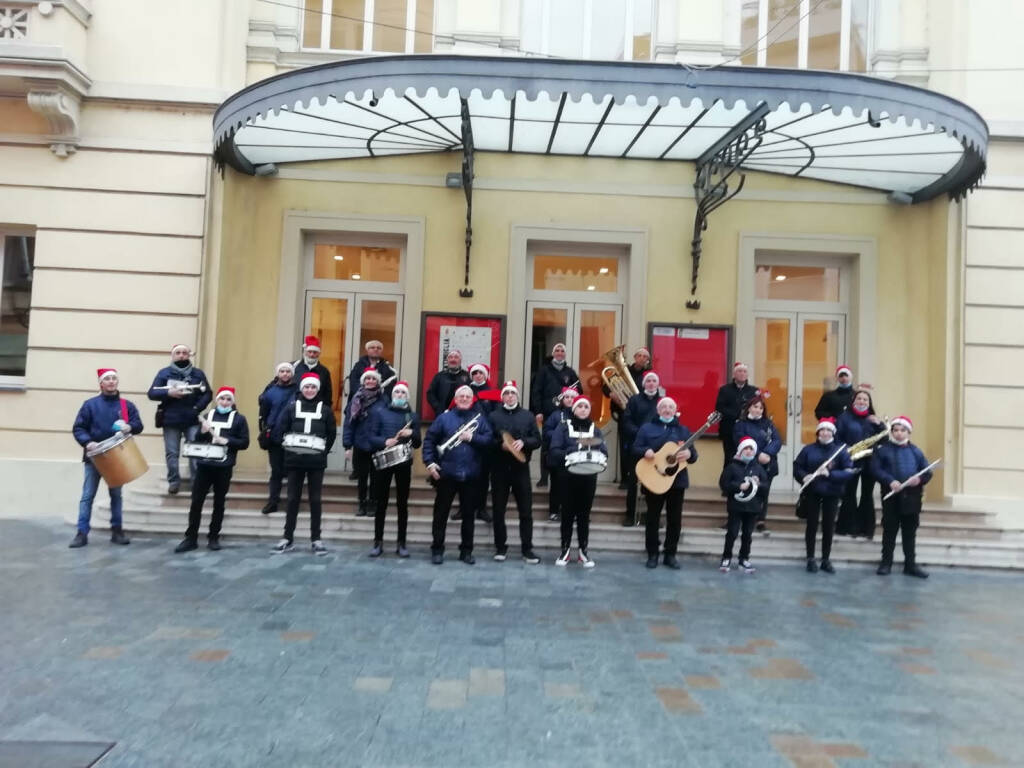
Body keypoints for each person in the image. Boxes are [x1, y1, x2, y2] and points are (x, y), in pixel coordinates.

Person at [70, 368, 144, 548]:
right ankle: (81, 533)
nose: (111, 381)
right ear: (101, 383)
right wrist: (87, 443)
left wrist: (130, 427)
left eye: (114, 378)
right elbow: (79, 428)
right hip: (94, 458)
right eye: (107, 379)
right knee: (87, 496)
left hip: (117, 457)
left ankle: (117, 531)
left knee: (116, 496)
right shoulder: (89, 405)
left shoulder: (127, 406)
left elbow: (138, 425)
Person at [422, 385, 494, 565]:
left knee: (469, 516)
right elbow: (429, 441)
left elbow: (489, 441)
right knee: (440, 514)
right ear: (455, 398)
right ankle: (437, 549)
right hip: (446, 474)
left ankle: (466, 551)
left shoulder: (480, 419)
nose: (464, 399)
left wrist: (472, 438)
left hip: (471, 475)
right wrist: (430, 463)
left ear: (472, 399)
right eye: (461, 396)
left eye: (467, 396)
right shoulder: (444, 418)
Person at [174, 387, 250, 553]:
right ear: (217, 400)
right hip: (205, 465)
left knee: (219, 502)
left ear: (233, 401)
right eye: (222, 399)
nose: (225, 402)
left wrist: (227, 441)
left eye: (228, 399)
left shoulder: (239, 419)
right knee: (196, 502)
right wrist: (202, 432)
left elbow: (244, 442)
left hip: (224, 467)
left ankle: (213, 537)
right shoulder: (208, 417)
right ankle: (191, 538)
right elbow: (198, 440)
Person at [270, 372, 337, 556]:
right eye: (306, 387)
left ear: (317, 389)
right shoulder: (291, 408)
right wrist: (288, 446)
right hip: (294, 460)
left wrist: (322, 451)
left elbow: (331, 434)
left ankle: (316, 539)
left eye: (313, 387)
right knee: (292, 499)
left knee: (315, 500)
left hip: (316, 462)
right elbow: (280, 430)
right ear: (302, 388)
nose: (309, 390)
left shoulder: (325, 409)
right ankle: (287, 538)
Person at [633, 396, 698, 570]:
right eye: (664, 407)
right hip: (654, 479)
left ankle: (671, 554)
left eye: (671, 407)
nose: (667, 409)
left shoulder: (684, 431)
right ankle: (652, 553)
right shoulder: (647, 428)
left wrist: (690, 455)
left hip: (677, 481)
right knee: (653, 518)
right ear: (658, 410)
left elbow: (694, 456)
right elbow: (635, 447)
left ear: (675, 410)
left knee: (674, 520)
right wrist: (645, 451)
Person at [487, 380, 542, 564]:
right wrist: (500, 445)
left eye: (512, 393)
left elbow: (537, 440)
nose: (510, 396)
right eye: (506, 393)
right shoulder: (493, 416)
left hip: (521, 470)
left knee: (526, 511)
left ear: (517, 396)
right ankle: (500, 547)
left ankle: (527, 549)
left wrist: (524, 442)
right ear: (502, 396)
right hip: (499, 469)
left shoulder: (528, 416)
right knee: (498, 510)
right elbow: (487, 440)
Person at [870, 416, 932, 578]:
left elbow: (928, 471)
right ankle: (886, 563)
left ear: (908, 432)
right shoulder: (882, 449)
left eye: (902, 430)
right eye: (895, 430)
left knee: (909, 532)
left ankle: (910, 565)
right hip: (891, 497)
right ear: (891, 432)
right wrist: (890, 481)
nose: (898, 433)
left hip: (912, 498)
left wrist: (918, 480)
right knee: (889, 530)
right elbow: (875, 470)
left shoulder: (916, 451)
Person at [549, 396, 607, 568]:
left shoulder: (595, 429)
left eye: (586, 407)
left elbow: (604, 451)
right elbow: (554, 450)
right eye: (579, 406)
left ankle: (583, 551)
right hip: (567, 477)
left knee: (584, 515)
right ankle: (565, 550)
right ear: (573, 409)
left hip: (588, 477)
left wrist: (596, 454)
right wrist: (573, 451)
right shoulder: (562, 427)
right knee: (567, 514)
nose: (583, 409)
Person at [365, 380, 421, 558]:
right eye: (397, 392)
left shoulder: (412, 416)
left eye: (403, 393)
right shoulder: (379, 412)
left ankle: (401, 543)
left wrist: (412, 433)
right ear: (392, 395)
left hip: (403, 463)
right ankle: (378, 542)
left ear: (407, 396)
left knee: (402, 504)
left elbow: (418, 443)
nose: (399, 395)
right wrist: (384, 442)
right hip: (384, 463)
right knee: (380, 503)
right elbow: (370, 437)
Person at [147, 344, 212, 494]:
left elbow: (207, 393)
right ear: (173, 355)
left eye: (184, 352)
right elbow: (152, 393)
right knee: (172, 452)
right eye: (178, 353)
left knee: (195, 450)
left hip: (192, 418)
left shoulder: (198, 374)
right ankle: (174, 482)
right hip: (171, 419)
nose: (181, 355)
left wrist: (197, 408)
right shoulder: (164, 373)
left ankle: (197, 482)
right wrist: (168, 393)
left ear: (189, 355)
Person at [793, 418, 854, 573]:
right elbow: (797, 466)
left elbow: (848, 472)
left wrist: (830, 474)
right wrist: (804, 476)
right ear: (818, 432)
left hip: (832, 493)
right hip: (812, 492)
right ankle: (810, 558)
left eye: (828, 430)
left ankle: (825, 559)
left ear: (832, 432)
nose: (825, 433)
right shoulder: (808, 449)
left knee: (828, 526)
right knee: (811, 525)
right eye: (822, 430)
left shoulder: (840, 450)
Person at [836, 385, 886, 538]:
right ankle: (848, 527)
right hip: (851, 460)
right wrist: (847, 452)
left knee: (866, 494)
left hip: (870, 460)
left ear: (869, 403)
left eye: (865, 399)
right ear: (854, 401)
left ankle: (866, 528)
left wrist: (879, 424)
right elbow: (838, 439)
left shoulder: (873, 418)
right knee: (849, 493)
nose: (862, 401)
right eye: (859, 398)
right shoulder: (844, 417)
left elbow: (885, 438)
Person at [530, 343, 580, 488]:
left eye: (562, 351)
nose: (559, 353)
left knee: (566, 444)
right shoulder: (544, 371)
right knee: (547, 445)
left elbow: (579, 391)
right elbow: (536, 391)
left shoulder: (570, 372)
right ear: (553, 353)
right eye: (557, 350)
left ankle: (565, 474)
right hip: (548, 413)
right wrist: (538, 411)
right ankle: (544, 478)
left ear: (565, 354)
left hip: (568, 415)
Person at [733, 394, 781, 535]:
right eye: (755, 407)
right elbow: (740, 440)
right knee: (746, 489)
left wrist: (767, 453)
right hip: (747, 463)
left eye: (761, 408)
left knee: (763, 491)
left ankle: (761, 520)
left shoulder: (768, 424)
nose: (758, 410)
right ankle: (744, 519)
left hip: (767, 463)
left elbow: (776, 440)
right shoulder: (740, 424)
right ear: (749, 408)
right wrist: (758, 454)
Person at [621, 370, 664, 526]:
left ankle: (652, 516)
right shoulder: (634, 400)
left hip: (656, 451)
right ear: (644, 384)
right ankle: (629, 515)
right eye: (648, 381)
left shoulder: (662, 401)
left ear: (658, 384)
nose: (651, 383)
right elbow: (626, 421)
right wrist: (641, 433)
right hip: (637, 448)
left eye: (654, 381)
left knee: (655, 484)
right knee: (633, 483)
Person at [719, 437, 768, 574]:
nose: (748, 451)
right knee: (732, 532)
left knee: (747, 534)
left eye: (751, 449)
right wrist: (738, 486)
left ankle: (744, 558)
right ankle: (726, 557)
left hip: (752, 508)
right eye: (746, 448)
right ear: (740, 451)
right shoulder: (732, 467)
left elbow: (766, 488)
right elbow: (724, 484)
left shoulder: (758, 468)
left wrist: (759, 485)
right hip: (736, 506)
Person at [603, 346, 650, 489]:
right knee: (625, 448)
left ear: (647, 360)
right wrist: (612, 394)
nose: (641, 358)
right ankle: (625, 479)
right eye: (639, 355)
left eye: (645, 356)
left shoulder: (649, 374)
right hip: (625, 414)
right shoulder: (623, 371)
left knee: (642, 449)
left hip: (642, 417)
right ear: (635, 357)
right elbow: (605, 387)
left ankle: (640, 478)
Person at [343, 366, 387, 517]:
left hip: (378, 444)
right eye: (367, 378)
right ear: (363, 381)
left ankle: (372, 504)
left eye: (373, 378)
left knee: (376, 477)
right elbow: (349, 424)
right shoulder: (356, 399)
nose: (370, 381)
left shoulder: (384, 399)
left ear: (377, 381)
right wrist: (347, 445)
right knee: (362, 477)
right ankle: (361, 503)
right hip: (360, 443)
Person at [257, 362, 297, 514]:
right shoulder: (270, 392)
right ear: (278, 373)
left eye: (288, 371)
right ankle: (273, 501)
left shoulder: (298, 390)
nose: (285, 374)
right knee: (276, 471)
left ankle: (292, 502)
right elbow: (264, 414)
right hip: (274, 436)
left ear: (292, 374)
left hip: (292, 436)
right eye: (282, 371)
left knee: (292, 471)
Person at [465, 362, 501, 523]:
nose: (477, 375)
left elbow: (496, 415)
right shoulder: (465, 391)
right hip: (466, 438)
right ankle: (464, 508)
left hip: (485, 440)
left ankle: (481, 508)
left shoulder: (492, 393)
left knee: (483, 477)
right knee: (466, 476)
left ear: (485, 375)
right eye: (475, 373)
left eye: (480, 373)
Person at [542, 386, 579, 522]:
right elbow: (546, 431)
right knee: (557, 485)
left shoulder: (580, 414)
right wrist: (561, 435)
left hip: (575, 457)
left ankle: (572, 511)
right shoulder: (556, 415)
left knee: (574, 486)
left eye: (572, 397)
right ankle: (554, 511)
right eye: (567, 397)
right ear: (562, 400)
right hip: (558, 457)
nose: (569, 400)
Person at [714, 362, 759, 469]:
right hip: (729, 430)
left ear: (747, 375)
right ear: (734, 374)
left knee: (748, 457)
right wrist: (738, 415)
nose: (742, 374)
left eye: (744, 371)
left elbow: (757, 408)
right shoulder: (725, 389)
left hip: (748, 430)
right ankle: (728, 483)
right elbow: (720, 408)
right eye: (739, 371)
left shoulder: (753, 391)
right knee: (730, 458)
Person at [346, 339, 396, 406]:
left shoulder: (387, 367)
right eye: (372, 347)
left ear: (381, 351)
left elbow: (391, 385)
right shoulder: (359, 365)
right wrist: (364, 394)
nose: (376, 349)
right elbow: (354, 383)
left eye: (379, 348)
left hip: (380, 403)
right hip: (360, 402)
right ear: (367, 350)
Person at [426, 349, 471, 419]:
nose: (453, 359)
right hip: (442, 414)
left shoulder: (467, 376)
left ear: (460, 360)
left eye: (456, 357)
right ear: (447, 361)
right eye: (450, 357)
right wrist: (438, 407)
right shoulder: (439, 376)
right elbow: (430, 394)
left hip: (462, 414)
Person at [293, 335, 334, 411]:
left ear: (319, 354)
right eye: (309, 352)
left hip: (317, 409)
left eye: (315, 352)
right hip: (296, 408)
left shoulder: (324, 371)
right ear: (305, 352)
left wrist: (326, 410)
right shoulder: (294, 367)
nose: (312, 355)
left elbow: (328, 394)